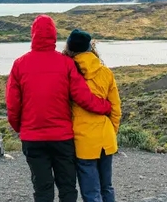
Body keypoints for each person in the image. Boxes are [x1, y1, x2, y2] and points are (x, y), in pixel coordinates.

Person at [6, 15, 113, 202]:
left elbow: (13, 106)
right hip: (62, 138)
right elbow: (83, 97)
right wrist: (104, 106)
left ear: (33, 34)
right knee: (67, 188)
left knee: (42, 189)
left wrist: (21, 128)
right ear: (54, 35)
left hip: (33, 138)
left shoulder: (19, 65)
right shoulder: (66, 64)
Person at [63, 29, 122, 202]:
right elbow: (116, 108)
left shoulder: (69, 72)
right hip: (105, 137)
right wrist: (112, 131)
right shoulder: (106, 72)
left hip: (83, 140)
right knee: (107, 187)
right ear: (90, 47)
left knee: (91, 192)